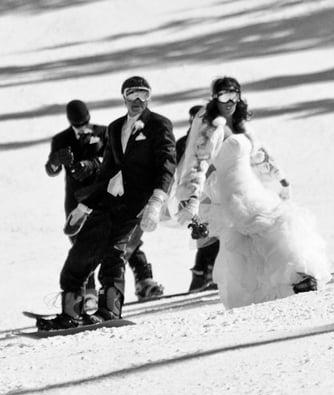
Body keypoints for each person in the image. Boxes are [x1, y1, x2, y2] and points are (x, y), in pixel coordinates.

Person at [176, 77, 330, 309]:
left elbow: (260, 157)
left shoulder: (239, 125)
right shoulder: (212, 127)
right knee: (275, 223)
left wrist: (280, 180)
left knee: (264, 232)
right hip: (232, 192)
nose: (229, 102)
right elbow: (198, 166)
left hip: (250, 186)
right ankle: (297, 278)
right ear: (214, 98)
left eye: (234, 96)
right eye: (223, 96)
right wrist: (191, 203)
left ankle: (282, 285)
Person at [37, 76, 176, 330]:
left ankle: (109, 310)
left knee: (114, 254)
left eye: (143, 95)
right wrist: (84, 206)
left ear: (149, 97)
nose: (137, 100)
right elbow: (107, 173)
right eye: (132, 94)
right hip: (107, 201)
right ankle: (71, 313)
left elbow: (167, 164)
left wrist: (157, 200)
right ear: (124, 97)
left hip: (136, 203)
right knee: (79, 257)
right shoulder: (114, 128)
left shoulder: (159, 125)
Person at [45, 101, 165, 306]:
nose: (83, 128)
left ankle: (144, 279)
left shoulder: (104, 132)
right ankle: (87, 292)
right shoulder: (61, 139)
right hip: (77, 200)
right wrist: (56, 160)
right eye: (78, 124)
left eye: (85, 122)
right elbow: (51, 169)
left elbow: (117, 159)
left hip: (105, 194)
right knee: (82, 244)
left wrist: (93, 165)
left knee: (120, 237)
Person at [175, 104, 220, 292]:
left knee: (219, 234)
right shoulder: (184, 143)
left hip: (216, 190)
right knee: (204, 234)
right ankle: (202, 276)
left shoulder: (217, 136)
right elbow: (180, 173)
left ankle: (212, 274)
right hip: (197, 195)